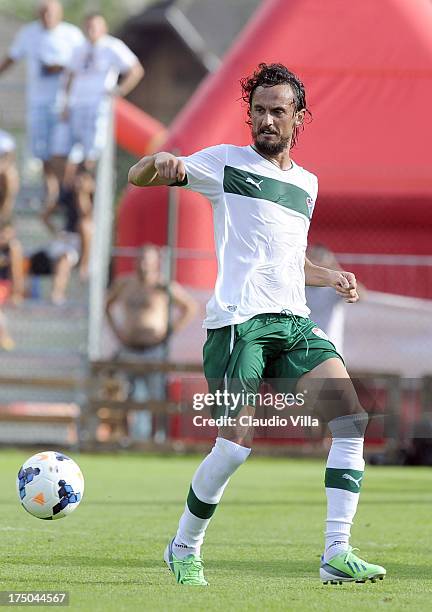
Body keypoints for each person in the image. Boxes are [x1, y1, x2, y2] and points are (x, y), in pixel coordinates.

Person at [128, 63, 386, 586]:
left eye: (277, 112)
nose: (266, 120)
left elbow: (288, 261)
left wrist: (329, 276)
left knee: (350, 422)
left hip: (292, 322)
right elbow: (143, 177)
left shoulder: (308, 185)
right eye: (259, 111)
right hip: (238, 324)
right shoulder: (224, 164)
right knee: (234, 446)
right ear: (249, 115)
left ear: (300, 119)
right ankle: (184, 546)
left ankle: (336, 553)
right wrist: (156, 165)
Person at [60, 12, 144, 279]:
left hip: (96, 110)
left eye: (96, 26)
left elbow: (135, 69)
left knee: (90, 163)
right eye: (89, 26)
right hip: (78, 111)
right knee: (73, 163)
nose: (91, 31)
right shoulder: (80, 49)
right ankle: (76, 187)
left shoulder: (112, 47)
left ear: (103, 27)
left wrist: (118, 91)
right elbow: (71, 76)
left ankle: (87, 180)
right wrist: (66, 102)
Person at [0, 0, 84, 219]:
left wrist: (62, 67)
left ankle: (65, 194)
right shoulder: (29, 34)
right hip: (38, 104)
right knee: (42, 151)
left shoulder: (72, 35)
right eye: (43, 12)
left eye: (51, 12)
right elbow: (12, 57)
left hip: (64, 105)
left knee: (64, 151)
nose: (47, 16)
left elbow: (83, 63)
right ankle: (53, 192)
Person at [105, 245, 198, 438]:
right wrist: (117, 331)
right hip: (129, 348)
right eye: (140, 260)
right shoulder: (124, 284)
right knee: (124, 396)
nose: (143, 265)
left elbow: (190, 307)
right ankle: (125, 438)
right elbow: (107, 305)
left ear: (156, 264)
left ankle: (158, 438)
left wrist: (170, 330)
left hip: (154, 350)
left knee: (157, 396)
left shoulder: (163, 286)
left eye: (147, 261)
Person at [0, 220, 24, 350]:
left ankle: (4, 335)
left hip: (4, 285)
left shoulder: (13, 248)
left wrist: (17, 293)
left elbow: (17, 273)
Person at [0, 130, 19, 221]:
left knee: (10, 174)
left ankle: (5, 215)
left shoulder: (4, 137)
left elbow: (9, 158)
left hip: (3, 170)